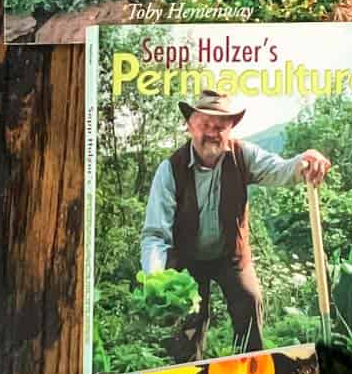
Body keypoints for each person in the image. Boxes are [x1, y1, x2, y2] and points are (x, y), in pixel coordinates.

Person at [140, 89, 331, 358]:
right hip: (186, 260)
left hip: (230, 255)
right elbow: (155, 235)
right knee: (187, 324)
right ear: (190, 125)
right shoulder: (170, 169)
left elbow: (279, 169)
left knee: (250, 301)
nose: (212, 131)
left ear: (230, 129)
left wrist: (303, 162)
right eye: (204, 123)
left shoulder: (243, 156)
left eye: (220, 125)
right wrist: (155, 277)